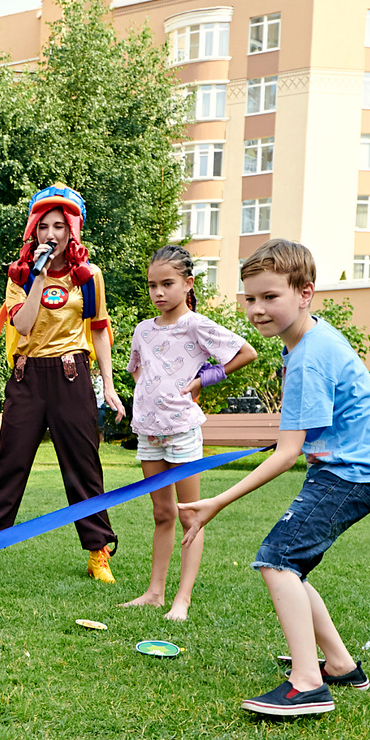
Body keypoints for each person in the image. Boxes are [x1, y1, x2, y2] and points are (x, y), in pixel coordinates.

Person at [176, 239, 370, 718]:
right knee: (289, 564)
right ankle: (338, 665)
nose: (257, 309)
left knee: (277, 560)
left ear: (305, 293)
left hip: (353, 473)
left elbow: (287, 453)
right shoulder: (307, 340)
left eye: (270, 297)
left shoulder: (309, 356)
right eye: (250, 298)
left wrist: (216, 501)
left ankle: (307, 684)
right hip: (352, 467)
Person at [0, 186, 125, 583]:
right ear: (33, 232)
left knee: (83, 468)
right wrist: (36, 275)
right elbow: (22, 324)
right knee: (9, 465)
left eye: (60, 226)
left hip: (72, 374)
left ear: (73, 231)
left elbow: (100, 330)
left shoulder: (89, 277)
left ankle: (98, 552)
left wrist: (107, 384)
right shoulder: (19, 276)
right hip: (27, 376)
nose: (50, 234)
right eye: (44, 227)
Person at [119, 244, 256, 619]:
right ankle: (155, 592)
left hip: (182, 431)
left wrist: (202, 380)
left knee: (189, 514)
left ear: (187, 283)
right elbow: (136, 369)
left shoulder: (196, 324)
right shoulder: (143, 330)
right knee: (161, 514)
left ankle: (183, 599)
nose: (159, 293)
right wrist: (152, 395)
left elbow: (245, 353)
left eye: (167, 284)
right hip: (148, 432)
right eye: (152, 285)